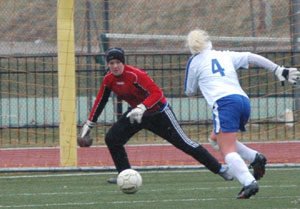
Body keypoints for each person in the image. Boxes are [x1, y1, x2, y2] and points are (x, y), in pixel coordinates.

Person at [78, 47, 233, 184]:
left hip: (158, 113)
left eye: (118, 62)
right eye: (111, 63)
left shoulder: (136, 75)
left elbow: (157, 93)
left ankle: (220, 169)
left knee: (184, 143)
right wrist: (89, 123)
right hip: (136, 114)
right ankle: (125, 175)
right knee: (112, 138)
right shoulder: (108, 79)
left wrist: (142, 107)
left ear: (123, 63)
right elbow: (100, 101)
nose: (115, 66)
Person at [184, 29, 300, 199]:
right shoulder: (224, 55)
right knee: (214, 139)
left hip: (224, 103)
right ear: (209, 42)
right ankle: (255, 157)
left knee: (227, 149)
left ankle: (248, 182)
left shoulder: (194, 61)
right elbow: (251, 56)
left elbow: (189, 91)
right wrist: (278, 70)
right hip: (243, 101)